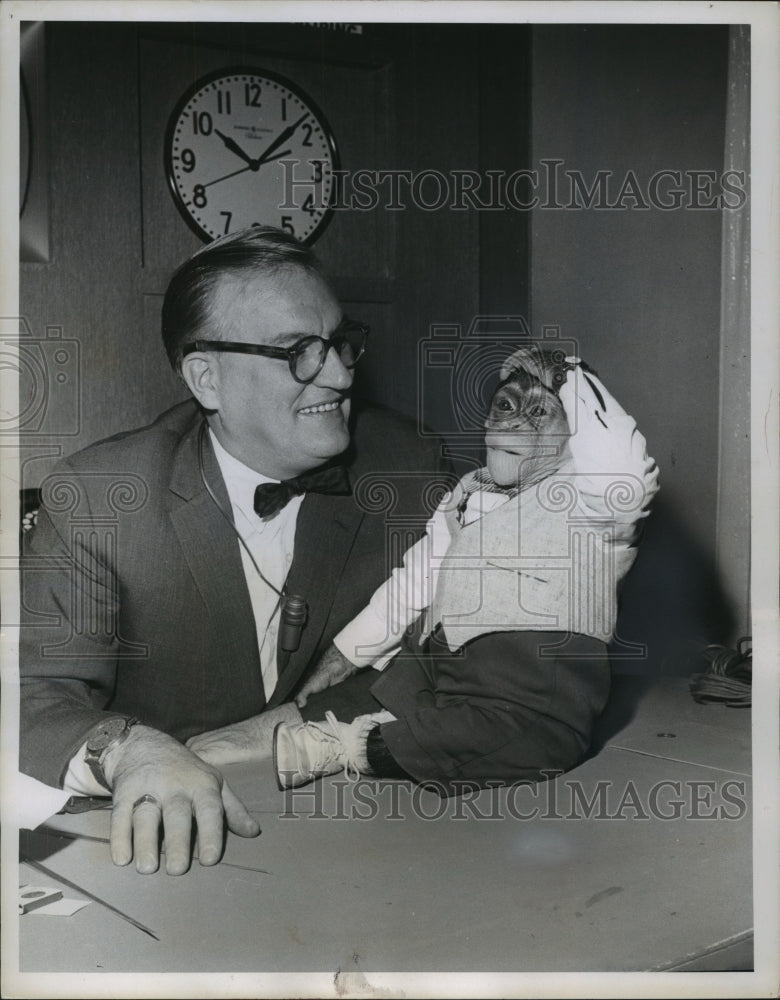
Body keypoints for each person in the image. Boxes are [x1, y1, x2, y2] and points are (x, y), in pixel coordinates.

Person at [19, 226, 449, 874]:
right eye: (299, 351)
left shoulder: (412, 469)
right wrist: (130, 749)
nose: (338, 373)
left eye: (339, 342)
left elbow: (462, 662)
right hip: (161, 860)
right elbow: (32, 702)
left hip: (369, 841)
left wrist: (287, 730)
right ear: (207, 378)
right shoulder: (97, 499)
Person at [193, 345, 659, 794]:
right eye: (505, 406)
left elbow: (629, 467)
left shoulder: (593, 500)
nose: (513, 423)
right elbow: (410, 586)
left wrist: (566, 370)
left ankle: (360, 747)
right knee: (349, 696)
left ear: (574, 435)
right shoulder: (467, 493)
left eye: (539, 414)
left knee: (520, 739)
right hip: (440, 666)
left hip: (531, 685)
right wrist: (337, 663)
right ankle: (221, 744)